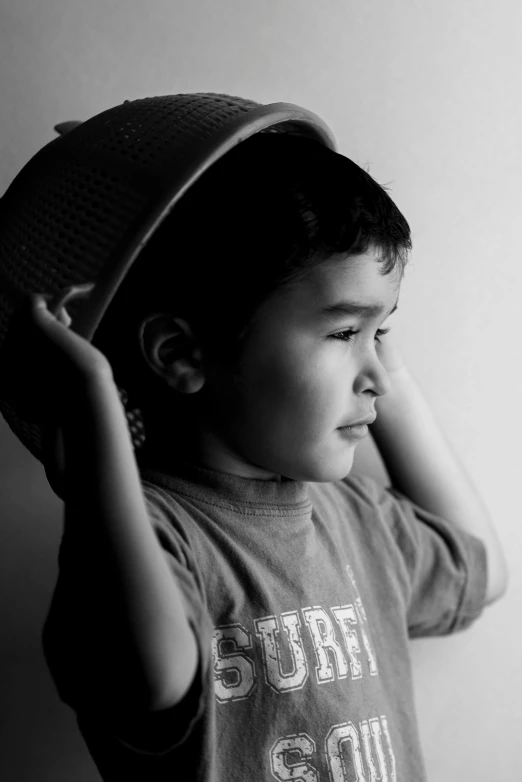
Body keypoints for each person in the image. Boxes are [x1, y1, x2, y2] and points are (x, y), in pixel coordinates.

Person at [22, 131, 506, 781]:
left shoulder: (356, 516)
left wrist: (380, 355)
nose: (378, 377)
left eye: (381, 333)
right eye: (343, 332)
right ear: (181, 355)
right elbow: (152, 675)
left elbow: (479, 571)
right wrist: (92, 409)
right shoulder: (158, 536)